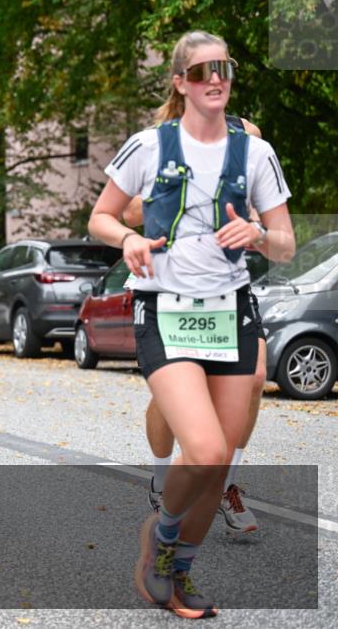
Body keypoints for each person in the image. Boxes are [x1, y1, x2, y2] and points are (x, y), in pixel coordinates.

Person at [88, 31, 294, 619]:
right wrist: (128, 239)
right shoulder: (148, 146)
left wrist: (259, 234)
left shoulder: (255, 153)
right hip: (165, 308)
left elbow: (285, 243)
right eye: (202, 70)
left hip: (231, 309)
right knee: (202, 448)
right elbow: (101, 217)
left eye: (223, 67)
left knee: (219, 460)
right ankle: (160, 535)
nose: (215, 78)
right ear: (180, 82)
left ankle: (178, 571)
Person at [126, 128, 268, 533]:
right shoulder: (161, 140)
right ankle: (162, 480)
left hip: (227, 285)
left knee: (254, 377)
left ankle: (223, 485)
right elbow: (130, 213)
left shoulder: (247, 134)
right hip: (169, 285)